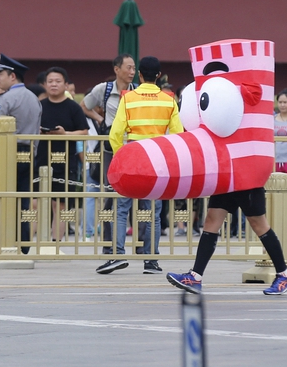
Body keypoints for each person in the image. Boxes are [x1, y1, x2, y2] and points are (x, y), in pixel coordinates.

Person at [97, 56, 182, 275]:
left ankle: (117, 254)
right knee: (153, 212)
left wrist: (120, 156)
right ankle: (151, 260)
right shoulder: (169, 100)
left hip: (134, 158)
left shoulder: (128, 98)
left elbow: (115, 134)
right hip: (158, 158)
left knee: (121, 208)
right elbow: (178, 135)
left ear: (141, 75)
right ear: (159, 75)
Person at [82, 54, 136, 256]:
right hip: (110, 150)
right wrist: (101, 120)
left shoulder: (137, 91)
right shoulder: (103, 89)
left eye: (133, 68)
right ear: (117, 69)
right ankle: (109, 243)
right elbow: (84, 106)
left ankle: (140, 244)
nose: (131, 72)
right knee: (110, 194)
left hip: (133, 149)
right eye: (128, 68)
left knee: (136, 195)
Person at [0, 54, 41, 253]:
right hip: (29, 152)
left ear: (12, 76)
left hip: (8, 153)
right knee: (24, 199)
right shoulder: (34, 98)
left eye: (1, 74)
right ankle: (24, 244)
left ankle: (6, 242)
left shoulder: (6, 98)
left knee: (4, 197)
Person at [35, 67, 88, 241]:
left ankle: (55, 242)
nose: (54, 85)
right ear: (44, 84)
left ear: (65, 84)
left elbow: (84, 132)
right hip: (41, 160)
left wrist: (65, 135)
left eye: (58, 81)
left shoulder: (73, 107)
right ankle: (27, 243)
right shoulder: (39, 106)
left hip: (65, 163)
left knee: (60, 205)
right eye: (50, 81)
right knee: (35, 203)